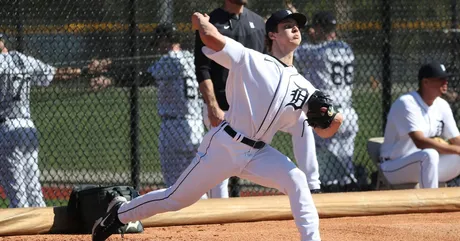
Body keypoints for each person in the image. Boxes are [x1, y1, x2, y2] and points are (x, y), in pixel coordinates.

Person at [91, 9, 343, 241]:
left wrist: (332, 117)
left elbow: (325, 129)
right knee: (176, 198)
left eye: (297, 26)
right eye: (288, 26)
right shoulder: (251, 59)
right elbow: (211, 38)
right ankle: (120, 212)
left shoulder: (305, 86)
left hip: (258, 153)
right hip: (225, 145)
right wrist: (200, 20)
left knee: (297, 179)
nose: (296, 29)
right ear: (272, 34)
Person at [195, 0, 321, 197]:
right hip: (223, 105)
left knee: (301, 122)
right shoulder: (213, 20)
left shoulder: (257, 22)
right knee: (220, 167)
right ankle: (219, 209)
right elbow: (202, 68)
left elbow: (267, 64)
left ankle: (313, 186)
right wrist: (212, 105)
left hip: (258, 107)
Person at [0, 33, 107, 208]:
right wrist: (85, 71)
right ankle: (43, 225)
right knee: (33, 185)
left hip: (6, 127)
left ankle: (24, 231)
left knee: (16, 189)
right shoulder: (20, 59)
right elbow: (56, 74)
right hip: (27, 127)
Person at [294, 11, 359, 190]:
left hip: (328, 112)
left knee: (326, 165)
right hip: (349, 112)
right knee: (345, 162)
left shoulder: (316, 52)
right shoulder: (346, 48)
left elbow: (292, 49)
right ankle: (349, 189)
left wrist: (301, 29)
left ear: (319, 29)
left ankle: (330, 194)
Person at [379, 62, 460, 188]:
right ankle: (431, 204)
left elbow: (456, 140)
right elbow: (420, 142)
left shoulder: (442, 105)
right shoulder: (407, 103)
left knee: (447, 157)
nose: (445, 82)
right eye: (440, 79)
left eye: (446, 79)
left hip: (426, 163)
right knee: (430, 154)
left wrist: (456, 149)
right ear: (425, 82)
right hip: (395, 165)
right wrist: (455, 149)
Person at [146, 23, 206, 194]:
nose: (157, 48)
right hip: (197, 126)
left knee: (174, 186)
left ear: (164, 40)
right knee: (197, 183)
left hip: (174, 127)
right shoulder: (191, 58)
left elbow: (142, 78)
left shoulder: (169, 60)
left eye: (158, 43)